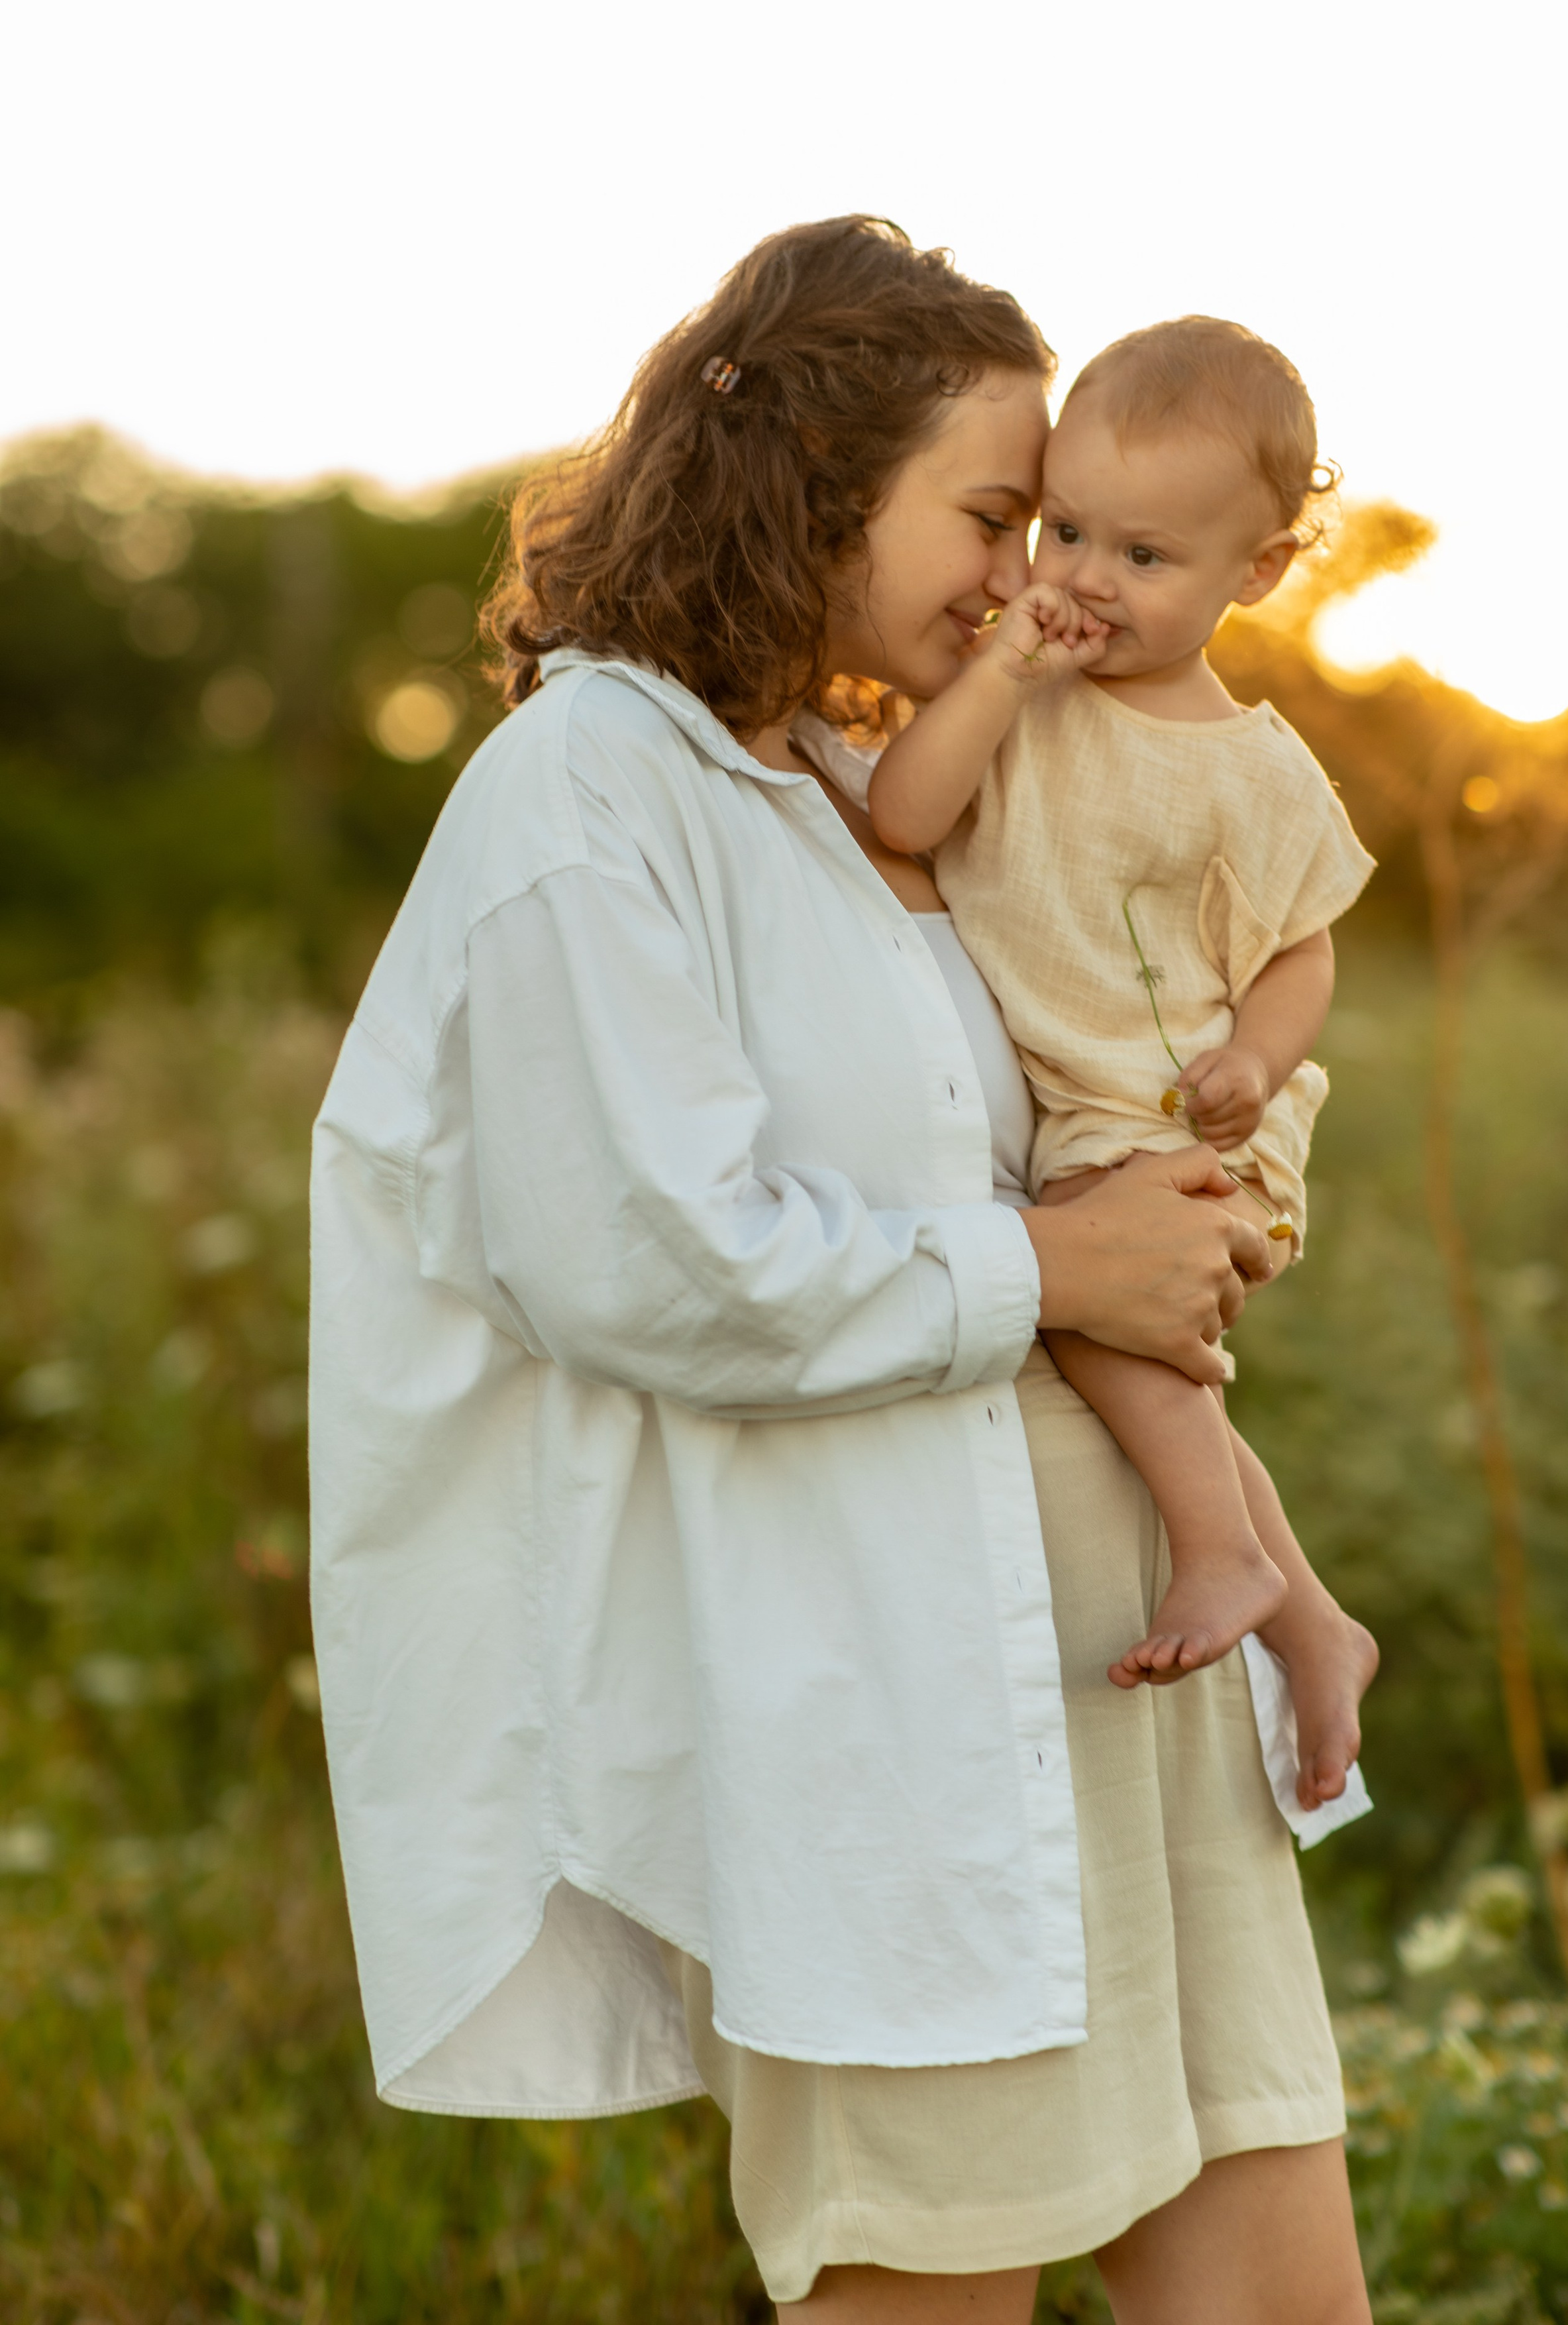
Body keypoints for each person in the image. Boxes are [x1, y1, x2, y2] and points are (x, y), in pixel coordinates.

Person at [309, 217, 1375, 2322]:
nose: (1022, 570)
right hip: (889, 1713)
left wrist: (1294, 1597)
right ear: (814, 471)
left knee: (1274, 2288)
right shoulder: (584, 797)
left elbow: (1076, 1196)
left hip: (1128, 1672)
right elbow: (658, 1265)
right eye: (996, 511)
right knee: (930, 2285)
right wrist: (1060, 1268)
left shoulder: (845, 794)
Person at [868, 318, 1377, 1782]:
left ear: (1256, 572)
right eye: (1062, 529)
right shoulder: (1018, 704)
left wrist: (1261, 1064)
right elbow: (903, 813)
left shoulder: (1256, 769)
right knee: (1120, 1335)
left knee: (1078, 1293)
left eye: (1141, 557)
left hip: (1184, 1115)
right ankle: (1312, 1623)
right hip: (1088, 1114)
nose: (1084, 578)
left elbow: (1300, 947)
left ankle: (1227, 1563)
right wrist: (1001, 678)